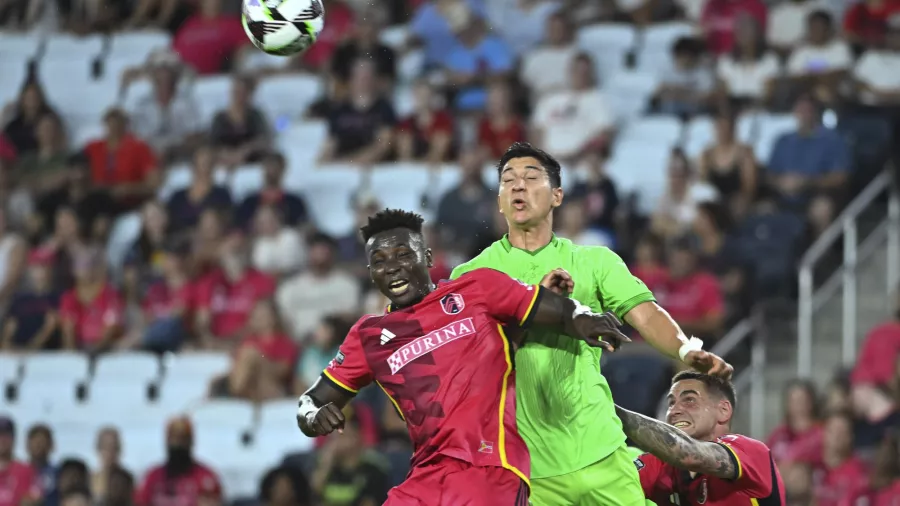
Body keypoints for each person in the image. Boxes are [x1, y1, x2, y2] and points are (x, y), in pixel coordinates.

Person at [450, 142, 733, 506]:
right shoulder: (470, 276)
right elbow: (469, 362)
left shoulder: (594, 261)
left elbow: (645, 313)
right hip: (526, 468)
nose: (518, 186)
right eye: (508, 180)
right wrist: (537, 305)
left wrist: (685, 348)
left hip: (600, 447)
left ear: (557, 196)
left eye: (531, 177)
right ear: (500, 200)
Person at [296, 208, 631, 505]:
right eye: (380, 262)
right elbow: (310, 401)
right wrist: (314, 416)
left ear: (427, 257)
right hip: (425, 476)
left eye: (402, 255)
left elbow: (554, 309)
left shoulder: (476, 288)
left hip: (489, 467)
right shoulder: (368, 335)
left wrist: (583, 317)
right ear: (370, 273)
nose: (393, 269)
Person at [616, 371, 786, 505]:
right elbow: (608, 485)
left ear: (723, 410)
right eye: (671, 403)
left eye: (689, 400)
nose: (674, 411)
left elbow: (688, 454)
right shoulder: (660, 465)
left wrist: (610, 412)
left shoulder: (751, 452)